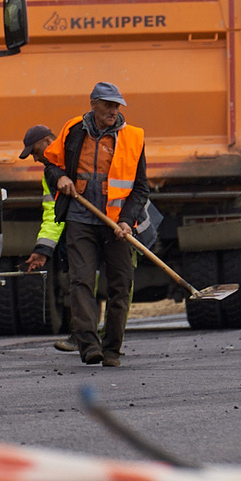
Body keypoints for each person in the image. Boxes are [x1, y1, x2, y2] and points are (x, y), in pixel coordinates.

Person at [21, 81, 149, 367]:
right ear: (93, 104)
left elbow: (140, 189)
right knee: (80, 282)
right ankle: (89, 345)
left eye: (117, 105)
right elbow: (51, 165)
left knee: (120, 286)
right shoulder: (73, 130)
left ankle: (112, 349)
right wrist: (60, 178)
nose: (113, 110)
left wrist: (127, 221)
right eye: (107, 105)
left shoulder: (134, 138)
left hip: (116, 225)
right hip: (81, 219)